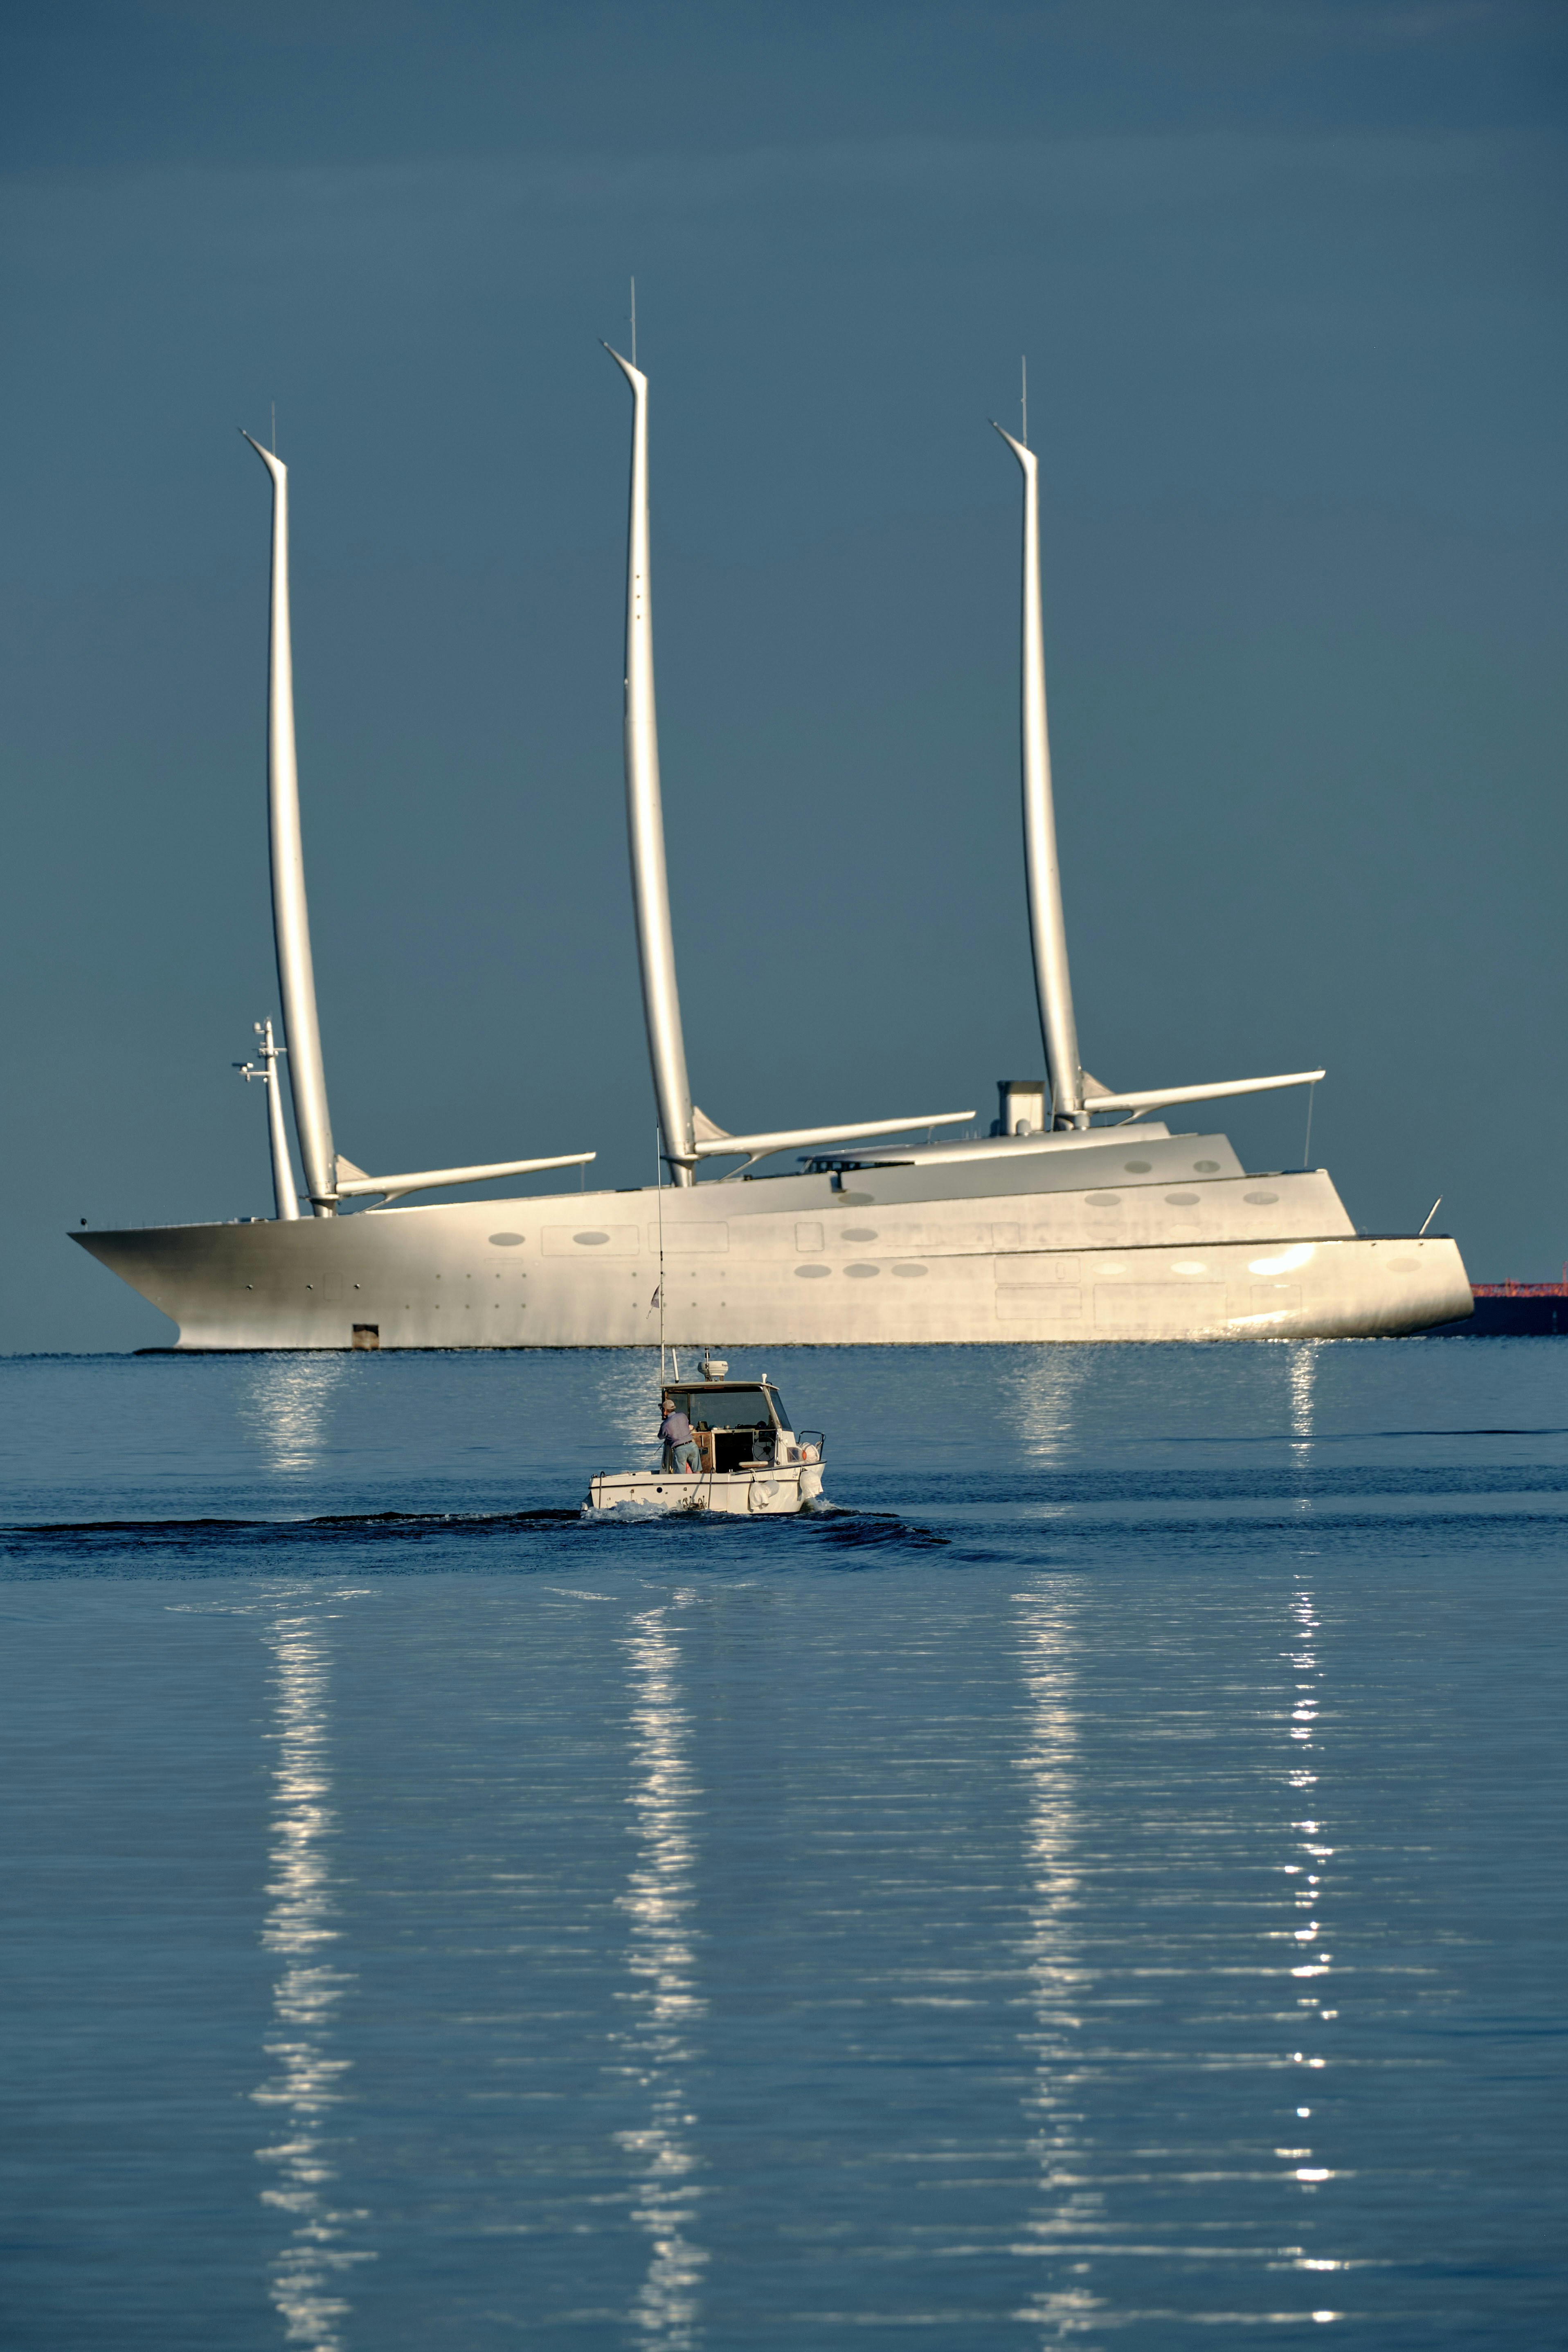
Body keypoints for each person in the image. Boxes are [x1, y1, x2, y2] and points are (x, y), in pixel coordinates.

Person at [658, 1395, 701, 1477]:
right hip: (692, 1446)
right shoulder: (683, 1416)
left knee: (680, 1477)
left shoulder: (665, 1424)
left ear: (665, 1410)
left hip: (680, 1450)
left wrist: (665, 1420)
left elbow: (661, 1436)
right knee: (697, 1472)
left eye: (662, 1409)